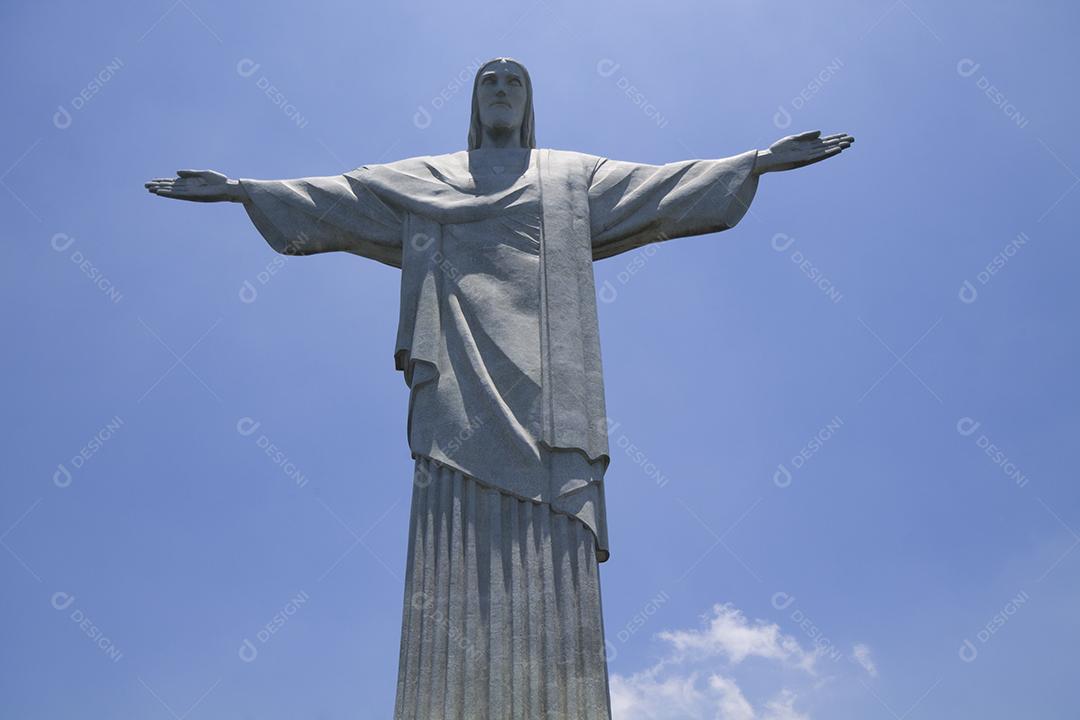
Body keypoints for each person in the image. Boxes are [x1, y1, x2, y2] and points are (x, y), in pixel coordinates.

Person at [146, 56, 853, 720]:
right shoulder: (422, 179)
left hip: (551, 382)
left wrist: (755, 162)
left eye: (515, 80)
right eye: (490, 80)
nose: (503, 88)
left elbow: (662, 187)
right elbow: (338, 199)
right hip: (455, 374)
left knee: (552, 517)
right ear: (474, 102)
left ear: (530, 102)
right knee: (450, 510)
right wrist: (243, 189)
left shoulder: (569, 177)